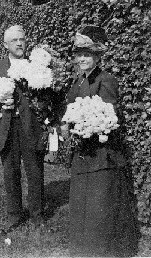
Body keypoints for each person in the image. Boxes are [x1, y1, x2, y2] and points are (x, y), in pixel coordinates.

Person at [65, 25, 138, 257]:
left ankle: (101, 249)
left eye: (87, 53)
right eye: (79, 54)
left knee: (99, 204)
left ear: (97, 56)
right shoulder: (77, 81)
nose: (82, 58)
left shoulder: (106, 80)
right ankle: (82, 248)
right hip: (82, 151)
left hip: (101, 152)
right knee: (81, 202)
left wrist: (89, 124)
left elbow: (110, 115)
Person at [0, 25, 45, 233]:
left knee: (35, 172)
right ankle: (14, 215)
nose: (20, 43)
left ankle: (37, 215)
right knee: (11, 173)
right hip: (6, 127)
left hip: (30, 126)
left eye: (22, 39)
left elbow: (47, 94)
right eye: (15, 40)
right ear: (6, 45)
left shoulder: (36, 65)